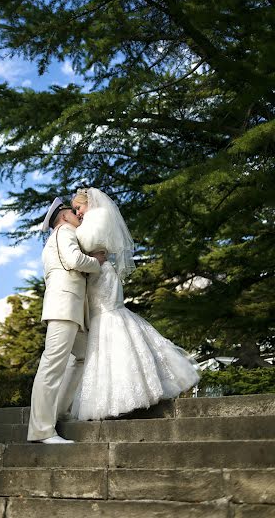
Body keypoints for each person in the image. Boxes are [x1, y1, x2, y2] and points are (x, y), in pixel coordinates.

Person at [70, 187, 201, 421]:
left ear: (86, 203)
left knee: (109, 320)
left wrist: (71, 233)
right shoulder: (94, 217)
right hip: (98, 274)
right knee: (106, 322)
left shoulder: (96, 216)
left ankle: (128, 392)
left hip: (102, 277)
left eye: (78, 208)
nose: (77, 213)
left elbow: (89, 242)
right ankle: (117, 393)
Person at [27, 197, 105, 443]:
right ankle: (42, 431)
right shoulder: (65, 231)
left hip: (71, 309)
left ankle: (60, 411)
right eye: (73, 212)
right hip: (63, 307)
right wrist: (97, 262)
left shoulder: (60, 235)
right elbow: (74, 261)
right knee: (52, 365)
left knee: (83, 357)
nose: (77, 215)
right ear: (62, 216)